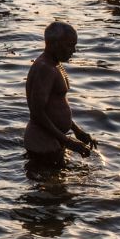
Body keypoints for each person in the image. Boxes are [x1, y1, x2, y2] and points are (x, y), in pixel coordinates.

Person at [24, 22, 96, 166]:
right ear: (54, 44)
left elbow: (54, 106)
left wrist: (76, 131)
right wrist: (68, 142)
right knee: (52, 187)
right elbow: (37, 113)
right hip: (42, 145)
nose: (73, 51)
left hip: (53, 142)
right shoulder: (45, 68)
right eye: (70, 45)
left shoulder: (55, 64)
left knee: (59, 186)